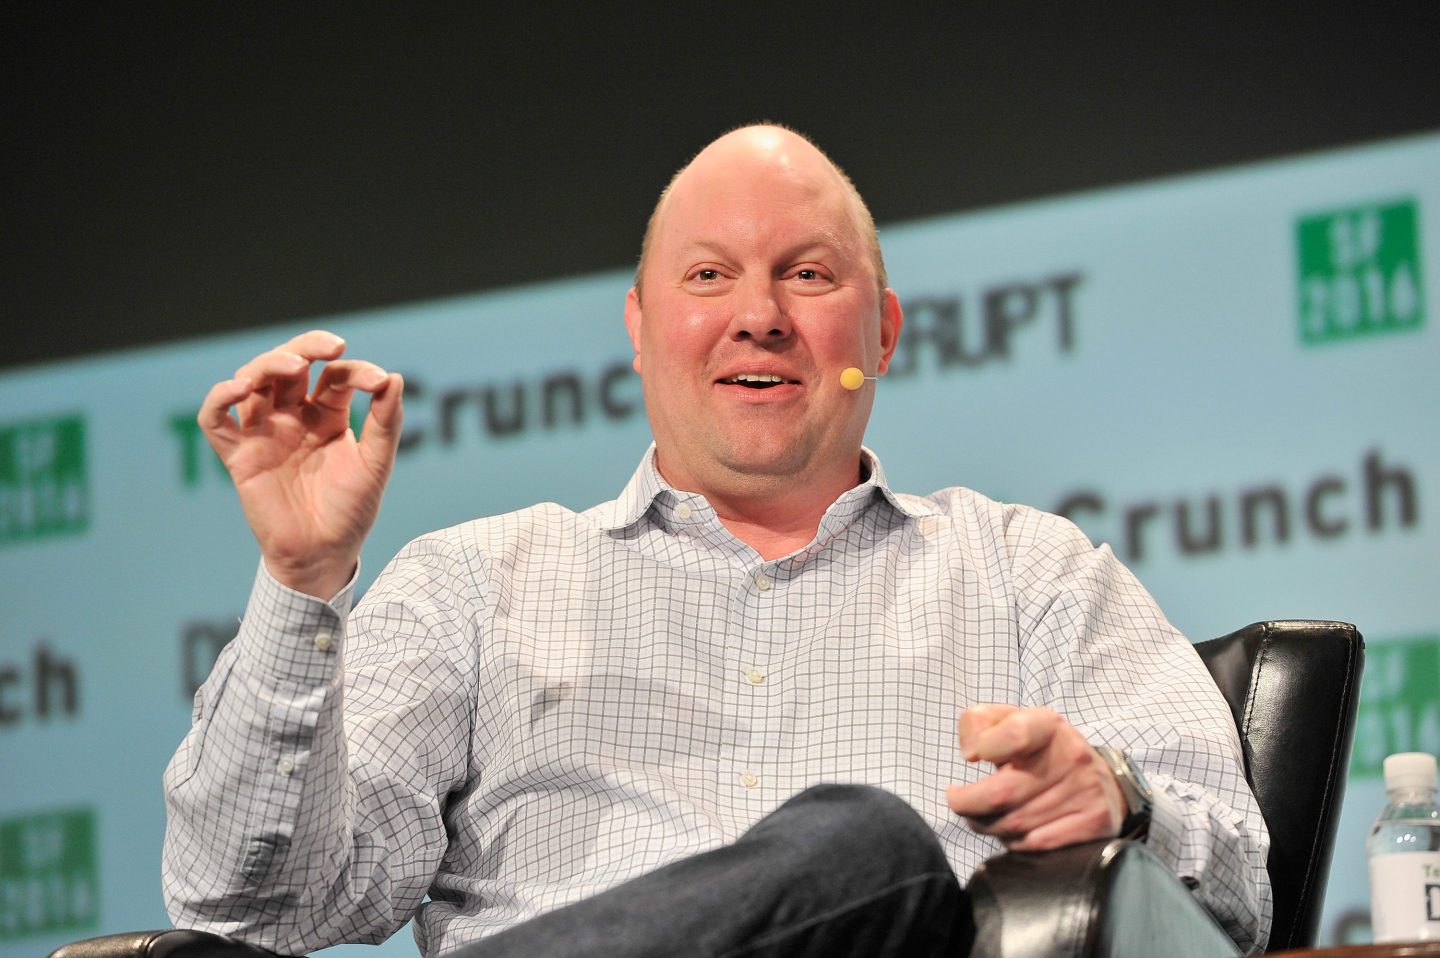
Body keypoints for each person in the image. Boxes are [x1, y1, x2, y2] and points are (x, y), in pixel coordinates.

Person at [163, 124, 1271, 956]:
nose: (761, 315)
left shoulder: (1032, 573)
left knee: (869, 853)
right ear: (641, 333)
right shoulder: (474, 587)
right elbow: (249, 907)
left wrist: (1120, 798)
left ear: (881, 333)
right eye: (708, 276)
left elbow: (1241, 891)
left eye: (808, 272)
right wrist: (301, 584)